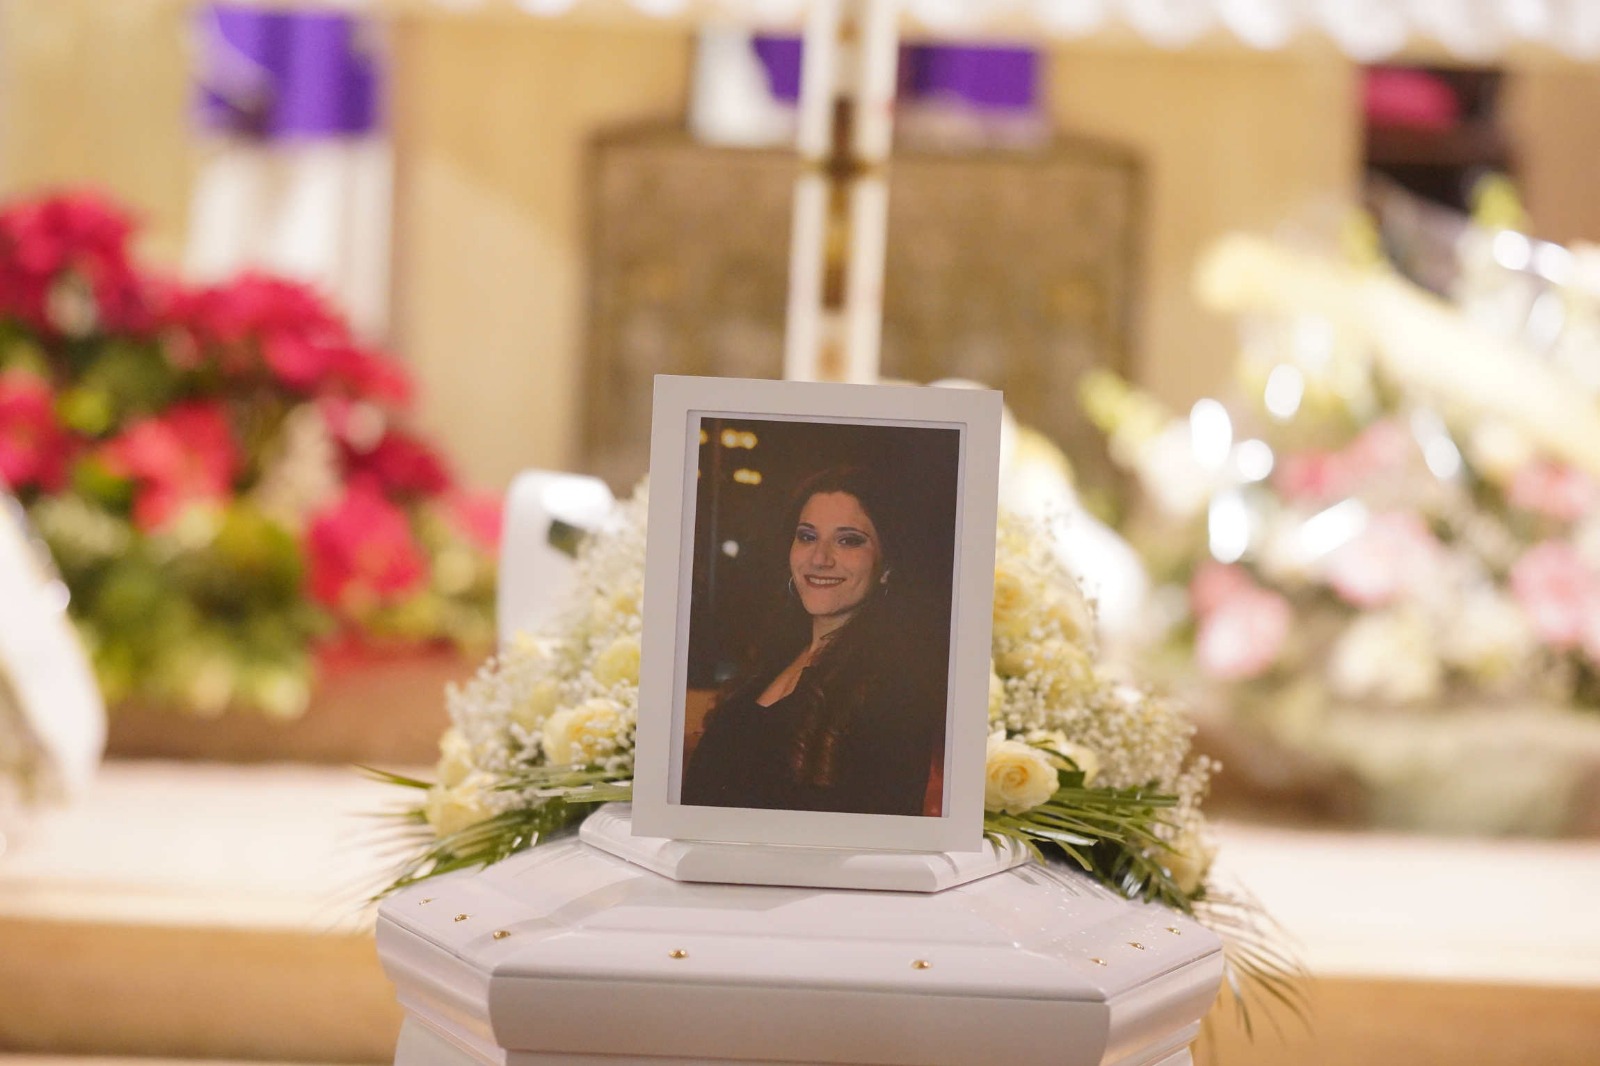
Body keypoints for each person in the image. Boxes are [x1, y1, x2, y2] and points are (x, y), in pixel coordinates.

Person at [681, 465, 949, 816]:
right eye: (807, 537)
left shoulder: (895, 690)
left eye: (848, 540)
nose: (819, 558)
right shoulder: (775, 657)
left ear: (886, 566)